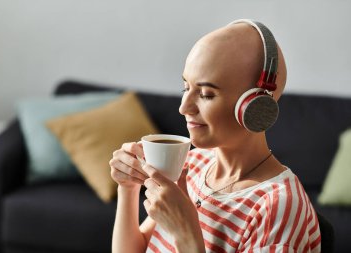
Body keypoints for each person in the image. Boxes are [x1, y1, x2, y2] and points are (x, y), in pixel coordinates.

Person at [109, 19, 321, 253]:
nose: (183, 107)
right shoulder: (193, 164)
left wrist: (185, 233)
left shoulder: (276, 210)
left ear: (255, 106)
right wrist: (127, 189)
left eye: (207, 94)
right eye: (186, 87)